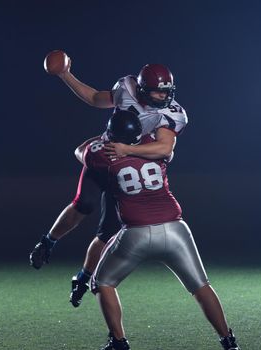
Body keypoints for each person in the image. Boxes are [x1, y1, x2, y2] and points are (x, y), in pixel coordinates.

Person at [30, 59, 187, 308]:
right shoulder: (126, 88)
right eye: (157, 90)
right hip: (108, 150)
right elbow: (94, 98)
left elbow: (165, 147)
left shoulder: (173, 113)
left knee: (107, 232)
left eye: (166, 91)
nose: (163, 96)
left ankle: (82, 278)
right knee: (84, 204)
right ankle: (48, 242)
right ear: (142, 88)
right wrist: (66, 75)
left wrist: (128, 150)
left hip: (130, 164)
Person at [82, 110, 240, 350]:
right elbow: (166, 149)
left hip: (135, 233)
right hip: (176, 229)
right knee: (200, 286)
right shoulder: (156, 146)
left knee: (102, 282)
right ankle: (229, 342)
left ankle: (119, 342)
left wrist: (107, 139)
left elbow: (80, 152)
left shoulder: (102, 155)